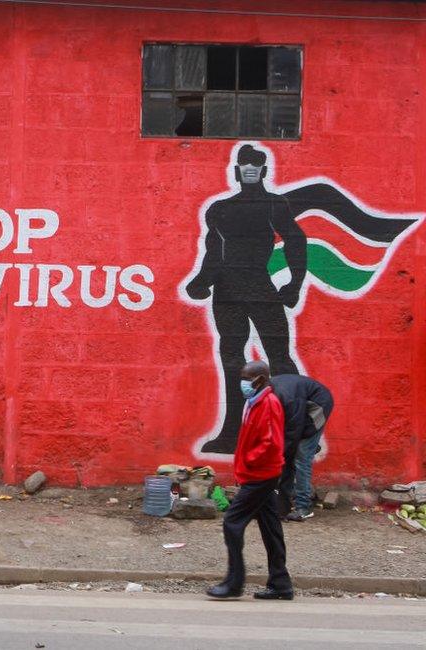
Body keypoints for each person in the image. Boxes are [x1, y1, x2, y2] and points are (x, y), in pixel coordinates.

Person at [185, 144, 306, 454]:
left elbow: (295, 239)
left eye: (255, 163)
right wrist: (202, 281)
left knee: (278, 355)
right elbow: (214, 251)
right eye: (245, 163)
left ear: (263, 169)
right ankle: (230, 434)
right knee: (231, 358)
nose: (250, 168)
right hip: (226, 290)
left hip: (260, 286)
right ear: (236, 169)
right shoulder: (220, 208)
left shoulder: (273, 204)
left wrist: (294, 282)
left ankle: (299, 429)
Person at [207, 360, 294, 601]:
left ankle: (234, 583)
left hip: (261, 475)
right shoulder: (255, 402)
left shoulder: (268, 404)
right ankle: (281, 584)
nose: (243, 383)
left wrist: (248, 461)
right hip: (261, 473)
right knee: (271, 528)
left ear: (261, 380)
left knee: (232, 523)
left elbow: (271, 443)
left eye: (247, 378)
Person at [271, 374, 334, 521]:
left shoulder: (287, 398)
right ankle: (288, 498)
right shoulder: (265, 395)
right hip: (299, 409)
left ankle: (303, 508)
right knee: (289, 453)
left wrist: (286, 451)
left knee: (301, 457)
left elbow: (294, 428)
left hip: (318, 405)